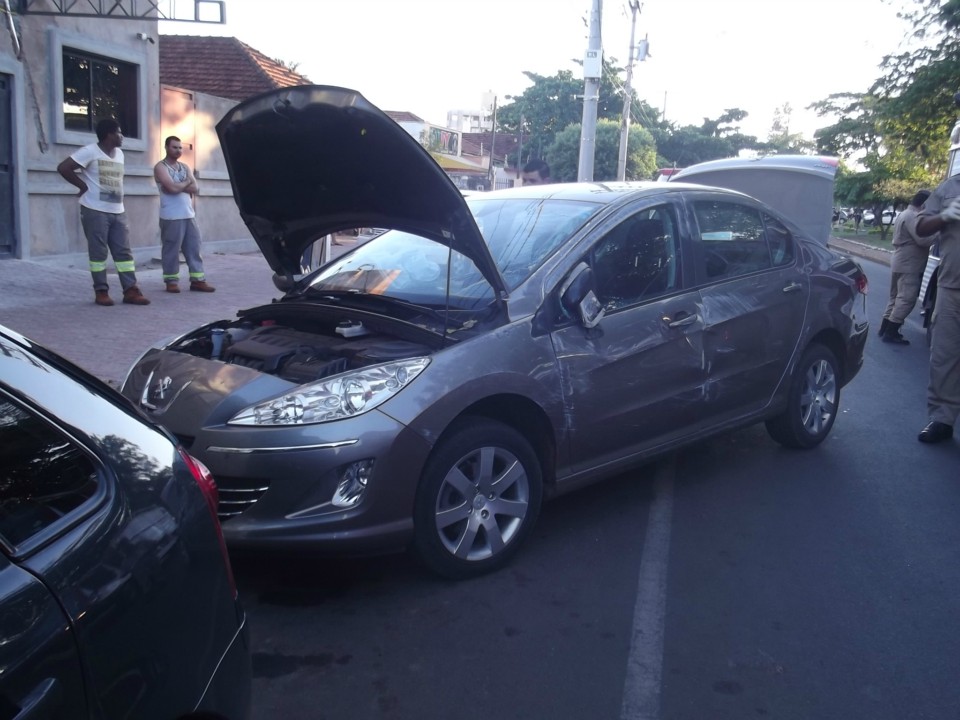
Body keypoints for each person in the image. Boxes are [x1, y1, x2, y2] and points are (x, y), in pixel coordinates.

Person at [57, 118, 150, 306]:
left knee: (124, 253)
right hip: (94, 210)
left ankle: (130, 290)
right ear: (109, 134)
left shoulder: (120, 154)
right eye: (119, 132)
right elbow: (63, 168)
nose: (122, 136)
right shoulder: (90, 151)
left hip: (118, 210)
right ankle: (101, 291)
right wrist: (82, 186)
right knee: (98, 254)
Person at [912, 180, 960, 443]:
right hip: (952, 289)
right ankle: (942, 419)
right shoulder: (950, 188)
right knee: (944, 357)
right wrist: (945, 215)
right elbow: (920, 226)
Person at [154, 136, 215, 293]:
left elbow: (195, 188)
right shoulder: (161, 167)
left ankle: (197, 280)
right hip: (171, 216)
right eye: (174, 147)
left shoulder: (185, 167)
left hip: (188, 215)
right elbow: (171, 189)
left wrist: (179, 185)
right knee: (171, 250)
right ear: (166, 147)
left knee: (194, 248)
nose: (178, 150)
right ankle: (171, 281)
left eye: (180, 148)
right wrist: (186, 183)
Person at [878, 189, 934, 345]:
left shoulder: (904, 214)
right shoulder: (913, 216)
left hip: (900, 260)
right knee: (906, 299)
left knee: (895, 297)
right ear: (924, 203)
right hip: (910, 263)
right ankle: (891, 332)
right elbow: (922, 240)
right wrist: (939, 234)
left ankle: (884, 328)